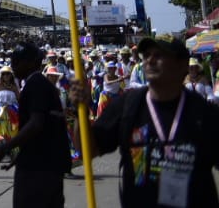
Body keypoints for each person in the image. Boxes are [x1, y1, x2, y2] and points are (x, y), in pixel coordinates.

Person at [71, 36, 219, 207]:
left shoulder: (204, 112)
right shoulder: (127, 106)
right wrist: (78, 112)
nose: (150, 60)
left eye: (159, 55)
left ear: (182, 64)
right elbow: (88, 149)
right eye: (147, 55)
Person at [0, 42, 71, 208]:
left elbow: (36, 123)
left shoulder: (35, 84)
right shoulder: (40, 84)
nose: (13, 66)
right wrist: (22, 155)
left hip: (40, 169)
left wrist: (5, 148)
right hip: (45, 164)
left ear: (31, 62)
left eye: (16, 61)